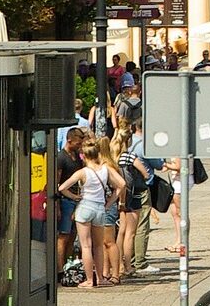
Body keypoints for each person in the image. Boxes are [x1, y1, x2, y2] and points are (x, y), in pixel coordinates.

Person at [57, 140, 125, 289]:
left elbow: (62, 187)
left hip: (85, 207)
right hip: (100, 208)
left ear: (83, 156)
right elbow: (122, 184)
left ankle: (89, 280)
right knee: (99, 246)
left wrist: (74, 196)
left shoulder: (82, 172)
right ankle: (100, 278)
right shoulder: (106, 169)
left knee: (86, 246)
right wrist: (109, 202)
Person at [114, 123, 155, 276]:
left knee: (121, 232)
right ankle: (128, 265)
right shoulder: (130, 156)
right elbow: (146, 174)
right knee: (131, 233)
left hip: (120, 197)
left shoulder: (115, 156)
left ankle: (117, 264)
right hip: (134, 195)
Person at [54, 127, 86, 273]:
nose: (79, 147)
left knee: (72, 235)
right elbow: (57, 182)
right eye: (78, 144)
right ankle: (60, 269)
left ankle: (67, 265)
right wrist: (58, 205)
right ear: (69, 140)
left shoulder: (76, 156)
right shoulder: (61, 158)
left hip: (76, 199)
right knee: (63, 236)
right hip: (66, 200)